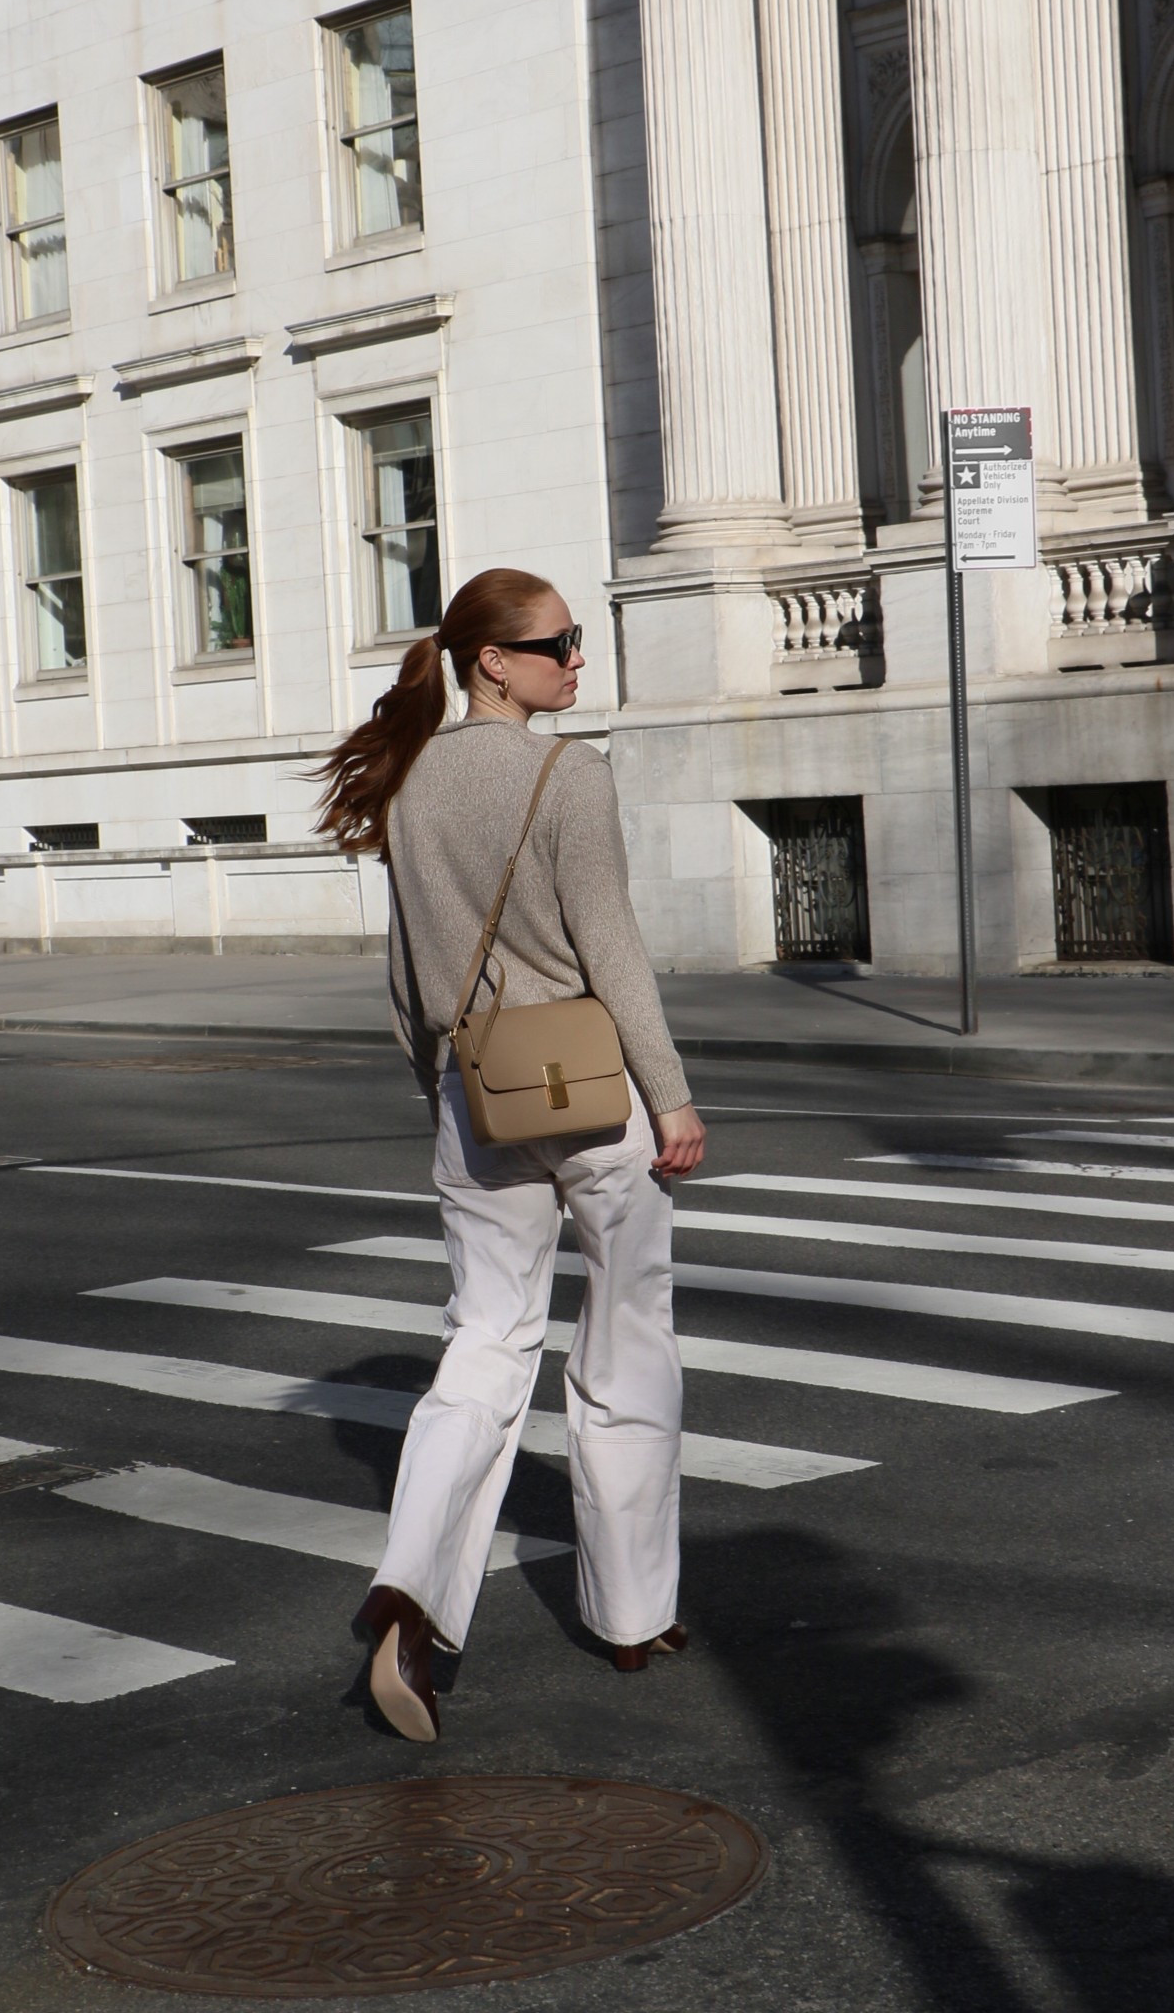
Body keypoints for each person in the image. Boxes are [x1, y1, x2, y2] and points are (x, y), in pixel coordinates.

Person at [313, 567, 706, 1743]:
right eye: (559, 643)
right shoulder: (566, 772)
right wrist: (671, 1094)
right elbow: (611, 947)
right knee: (626, 1336)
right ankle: (632, 1612)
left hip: (474, 1091)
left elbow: (403, 976)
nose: (577, 660)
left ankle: (412, 1594)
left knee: (483, 1340)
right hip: (592, 1090)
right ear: (493, 660)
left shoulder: (410, 778)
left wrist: (440, 1086)